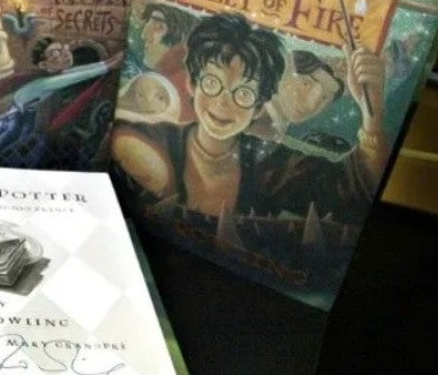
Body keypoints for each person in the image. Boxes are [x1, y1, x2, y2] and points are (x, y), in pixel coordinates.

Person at [112, 13, 388, 222]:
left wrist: (372, 115)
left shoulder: (271, 164)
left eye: (243, 93)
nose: (223, 102)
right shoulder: (154, 136)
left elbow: (353, 192)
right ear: (193, 85)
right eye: (212, 83)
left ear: (258, 106)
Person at [248, 50, 345, 141]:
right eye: (306, 84)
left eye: (325, 98)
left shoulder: (276, 131)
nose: (312, 105)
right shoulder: (251, 118)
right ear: (284, 74)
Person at [138, 1, 196, 122]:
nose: (144, 35)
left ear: (182, 39)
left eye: (158, 27)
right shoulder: (159, 78)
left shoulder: (182, 87)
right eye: (148, 23)